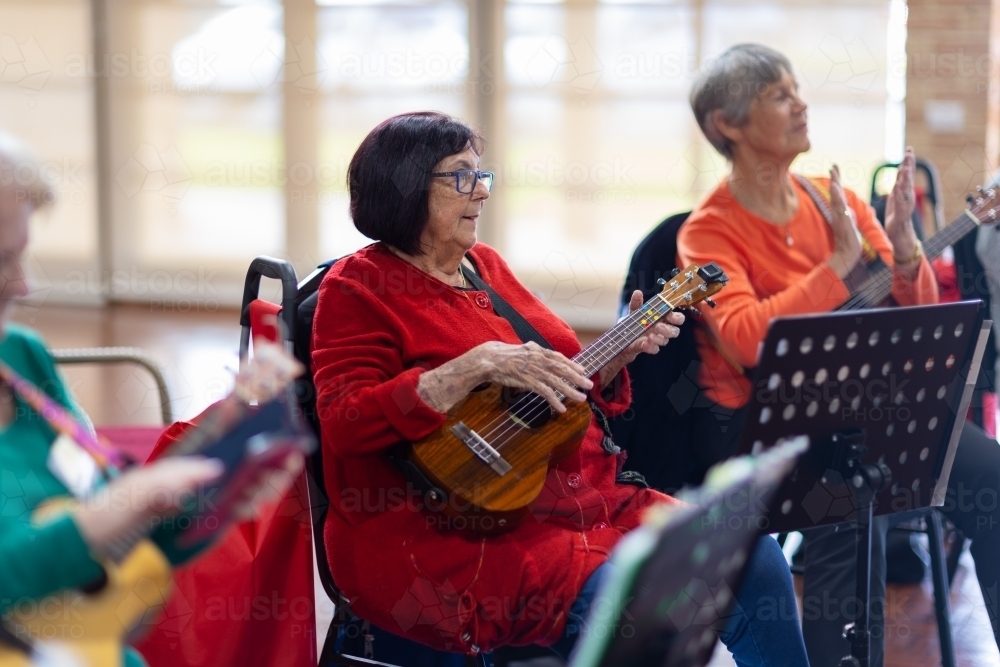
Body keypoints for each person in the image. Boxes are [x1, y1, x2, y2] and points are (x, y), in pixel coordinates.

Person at [311, 111, 810, 665]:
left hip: (583, 496)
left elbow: (556, 378)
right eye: (460, 177)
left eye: (482, 175)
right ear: (404, 186)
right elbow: (345, 420)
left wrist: (619, 352)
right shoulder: (358, 289)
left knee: (755, 557)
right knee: (627, 601)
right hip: (451, 533)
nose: (480, 192)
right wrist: (471, 367)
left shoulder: (485, 267)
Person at [677, 43, 1000, 666]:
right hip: (767, 433)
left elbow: (913, 310)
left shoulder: (842, 203)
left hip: (865, 413)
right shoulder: (708, 231)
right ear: (728, 124)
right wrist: (834, 269)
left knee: (992, 476)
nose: (801, 104)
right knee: (848, 510)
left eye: (798, 90)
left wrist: (906, 249)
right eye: (779, 94)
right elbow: (745, 339)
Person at [0, 132, 301, 667]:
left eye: (20, 256)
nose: (22, 285)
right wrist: (118, 509)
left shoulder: (20, 358)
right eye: (0, 261)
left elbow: (142, 546)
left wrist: (220, 485)